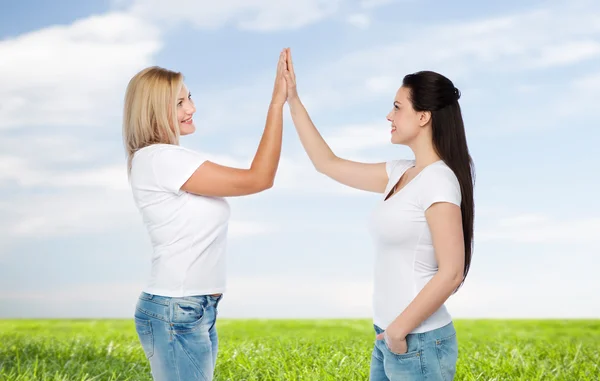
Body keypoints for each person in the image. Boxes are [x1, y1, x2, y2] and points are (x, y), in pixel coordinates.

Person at [282, 48, 474, 381]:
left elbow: (452, 272)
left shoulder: (439, 180)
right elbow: (327, 164)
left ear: (423, 116)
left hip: (418, 340)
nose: (389, 115)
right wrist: (293, 100)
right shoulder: (401, 172)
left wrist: (400, 330)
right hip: (389, 337)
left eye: (398, 107)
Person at [121, 49, 288, 381]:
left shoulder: (163, 160)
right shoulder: (162, 159)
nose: (191, 108)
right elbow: (259, 178)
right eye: (179, 103)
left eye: (190, 98)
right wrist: (275, 104)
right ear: (155, 112)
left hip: (192, 309)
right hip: (176, 310)